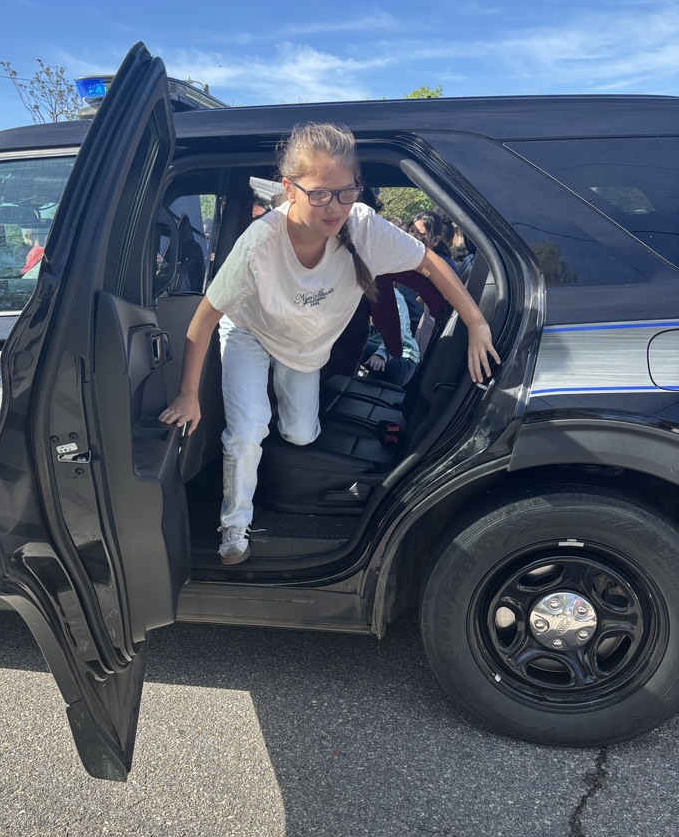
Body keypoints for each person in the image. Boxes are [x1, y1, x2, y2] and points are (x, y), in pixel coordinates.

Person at [159, 122, 499, 565]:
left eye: (346, 191)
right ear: (289, 189)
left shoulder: (364, 228)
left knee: (299, 434)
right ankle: (234, 525)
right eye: (320, 193)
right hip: (251, 332)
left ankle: (278, 408)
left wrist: (476, 322)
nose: (334, 205)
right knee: (247, 431)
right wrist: (188, 394)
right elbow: (203, 320)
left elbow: (430, 264)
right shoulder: (260, 243)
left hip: (304, 349)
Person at [362, 287, 420, 386]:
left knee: (346, 343)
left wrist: (381, 355)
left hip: (401, 359)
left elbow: (397, 332)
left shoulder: (390, 296)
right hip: (374, 355)